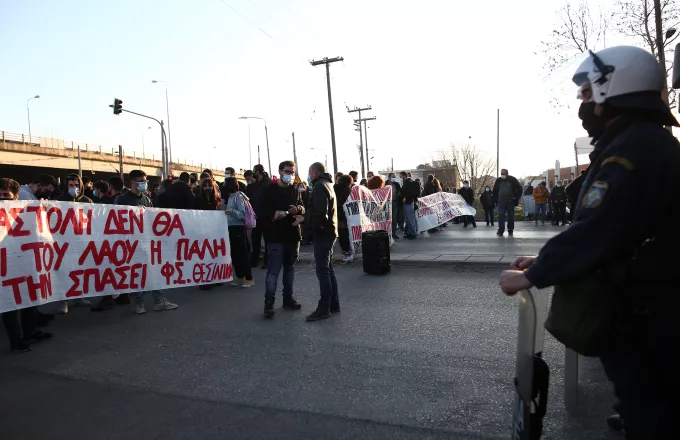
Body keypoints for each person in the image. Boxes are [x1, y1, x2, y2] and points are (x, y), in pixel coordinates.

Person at [499, 45, 680, 439]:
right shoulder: (641, 142)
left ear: (611, 90)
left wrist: (536, 274)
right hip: (649, 299)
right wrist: (545, 257)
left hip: (650, 307)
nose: (581, 106)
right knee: (643, 397)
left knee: (650, 402)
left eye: (586, 94)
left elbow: (601, 228)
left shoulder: (633, 149)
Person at [1, 178, 53, 353]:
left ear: (15, 197)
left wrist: (44, 209)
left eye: (6, 195)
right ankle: (16, 340)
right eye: (0, 195)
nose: (3, 199)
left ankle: (30, 332)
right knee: (9, 302)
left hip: (24, 261)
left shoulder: (27, 212)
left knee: (30, 297)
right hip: (4, 266)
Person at [117, 170, 179, 314]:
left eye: (145, 181)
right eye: (140, 181)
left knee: (152, 270)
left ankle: (159, 300)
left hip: (146, 241)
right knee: (136, 272)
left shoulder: (147, 199)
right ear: (132, 182)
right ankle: (139, 302)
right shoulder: (122, 200)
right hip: (130, 243)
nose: (143, 184)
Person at [260, 161, 305, 318]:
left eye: (292, 172)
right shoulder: (268, 190)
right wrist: (274, 214)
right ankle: (269, 303)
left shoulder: (295, 189)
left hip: (293, 235)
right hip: (275, 236)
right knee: (273, 271)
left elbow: (302, 206)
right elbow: (261, 210)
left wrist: (299, 210)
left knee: (290, 269)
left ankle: (288, 299)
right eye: (287, 172)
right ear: (279, 172)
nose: (290, 175)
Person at [306, 162, 339, 322]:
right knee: (329, 269)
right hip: (330, 232)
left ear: (315, 172)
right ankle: (333, 304)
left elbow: (320, 213)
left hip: (323, 233)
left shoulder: (319, 186)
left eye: (309, 172)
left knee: (323, 270)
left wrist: (314, 230)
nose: (309, 175)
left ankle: (324, 307)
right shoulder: (328, 184)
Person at [222, 177, 255, 289]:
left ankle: (249, 278)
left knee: (242, 254)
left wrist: (231, 211)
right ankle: (240, 277)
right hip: (231, 228)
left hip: (238, 228)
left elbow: (242, 214)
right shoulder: (230, 198)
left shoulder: (238, 197)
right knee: (235, 254)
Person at [249, 164, 271, 268]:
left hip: (266, 216)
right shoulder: (255, 184)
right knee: (255, 239)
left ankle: (267, 261)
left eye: (254, 171)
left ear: (258, 172)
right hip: (256, 215)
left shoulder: (268, 183)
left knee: (267, 239)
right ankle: (254, 260)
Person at [492, 169, 522, 236]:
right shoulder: (498, 180)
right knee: (501, 215)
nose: (502, 175)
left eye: (504, 174)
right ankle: (501, 230)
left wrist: (516, 197)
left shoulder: (512, 180)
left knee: (511, 216)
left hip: (510, 202)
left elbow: (520, 189)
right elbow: (494, 191)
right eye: (501, 174)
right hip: (501, 202)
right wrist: (496, 199)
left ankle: (510, 229)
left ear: (507, 174)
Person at [334, 174, 354, 260]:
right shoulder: (347, 190)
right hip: (345, 214)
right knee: (346, 232)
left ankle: (344, 250)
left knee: (340, 232)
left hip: (336, 213)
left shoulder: (334, 188)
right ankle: (347, 250)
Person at [400, 171, 419, 239]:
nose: (400, 178)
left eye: (401, 176)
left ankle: (413, 233)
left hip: (409, 202)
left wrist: (406, 197)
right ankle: (409, 232)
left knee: (411, 219)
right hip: (407, 202)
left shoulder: (408, 182)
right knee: (408, 219)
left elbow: (410, 192)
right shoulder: (405, 182)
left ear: (404, 176)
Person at [386, 172, 402, 239]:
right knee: (387, 219)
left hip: (395, 202)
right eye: (392, 177)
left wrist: (399, 194)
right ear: (389, 177)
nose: (394, 178)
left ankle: (393, 233)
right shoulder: (385, 183)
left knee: (394, 219)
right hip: (387, 204)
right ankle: (387, 233)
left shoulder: (397, 184)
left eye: (394, 177)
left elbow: (400, 191)